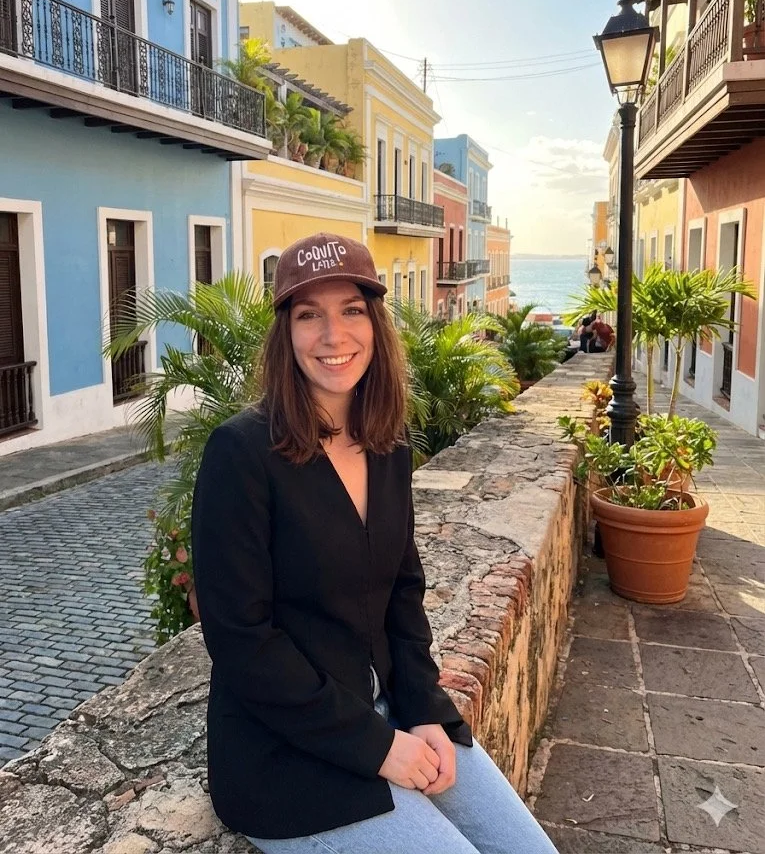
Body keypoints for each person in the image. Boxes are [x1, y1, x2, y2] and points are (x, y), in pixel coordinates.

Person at [191, 233, 559, 854]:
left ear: (375, 323)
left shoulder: (387, 443)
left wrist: (424, 708)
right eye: (310, 315)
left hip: (390, 708)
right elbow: (241, 640)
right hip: (286, 756)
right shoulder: (241, 453)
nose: (333, 336)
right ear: (287, 333)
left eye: (351, 311)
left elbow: (402, 589)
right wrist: (379, 747)